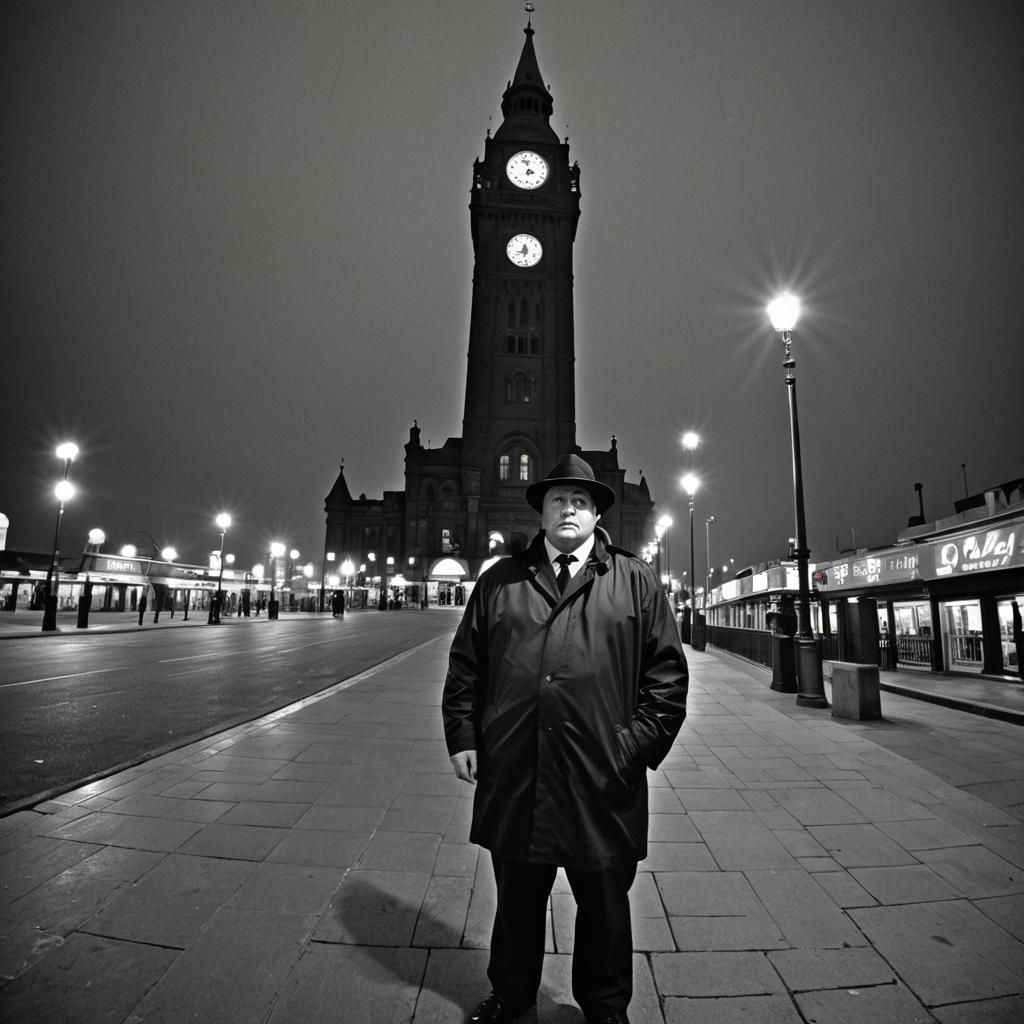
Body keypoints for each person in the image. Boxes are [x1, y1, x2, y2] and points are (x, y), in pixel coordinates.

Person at [443, 453, 688, 1024]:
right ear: (544, 512)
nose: (569, 508)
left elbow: (667, 679)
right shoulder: (500, 580)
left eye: (580, 500)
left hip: (599, 778)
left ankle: (605, 1008)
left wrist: (629, 751)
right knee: (518, 902)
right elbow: (465, 669)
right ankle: (511, 995)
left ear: (597, 512)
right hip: (517, 770)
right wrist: (463, 736)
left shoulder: (635, 580)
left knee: (604, 904)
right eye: (559, 500)